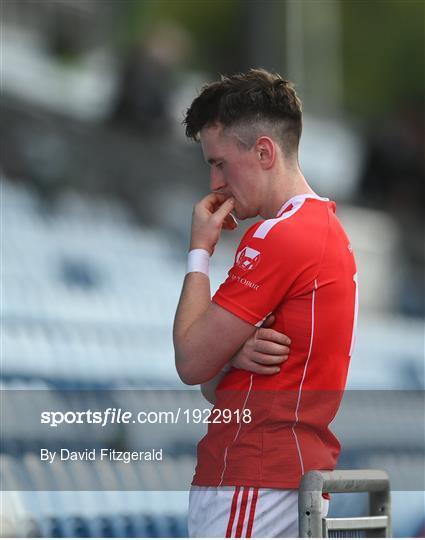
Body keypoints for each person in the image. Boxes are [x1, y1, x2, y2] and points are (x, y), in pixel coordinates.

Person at [173, 68, 358, 538]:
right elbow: (215, 385)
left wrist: (199, 250)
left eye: (220, 163)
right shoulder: (327, 228)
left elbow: (193, 363)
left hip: (252, 478)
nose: (215, 184)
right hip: (286, 478)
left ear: (263, 152)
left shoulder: (279, 236)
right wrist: (231, 353)